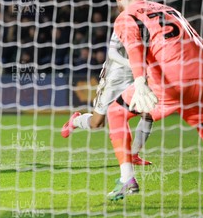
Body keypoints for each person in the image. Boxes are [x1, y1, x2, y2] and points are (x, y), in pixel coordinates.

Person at [105, 0, 203, 201]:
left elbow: (134, 49)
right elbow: (201, 42)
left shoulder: (126, 16)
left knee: (115, 112)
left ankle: (127, 180)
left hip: (172, 81)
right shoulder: (170, 9)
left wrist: (140, 82)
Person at [62, 31, 155, 165]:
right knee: (97, 123)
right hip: (116, 77)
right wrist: (133, 64)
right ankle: (75, 121)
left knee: (148, 112)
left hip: (139, 76)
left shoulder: (153, 23)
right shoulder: (125, 22)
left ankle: (134, 154)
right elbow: (112, 53)